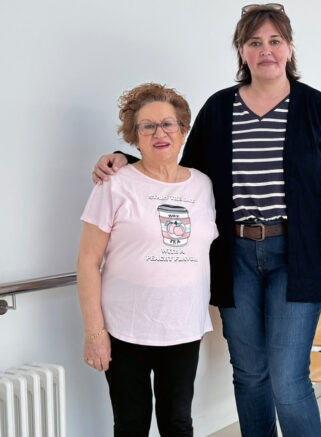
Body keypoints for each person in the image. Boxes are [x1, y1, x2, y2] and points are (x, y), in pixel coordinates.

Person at [91, 5, 321, 437]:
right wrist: (128, 160)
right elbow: (183, 175)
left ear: (289, 48)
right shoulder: (219, 109)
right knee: (249, 373)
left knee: (289, 380)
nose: (265, 50)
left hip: (297, 256)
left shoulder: (315, 108)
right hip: (235, 257)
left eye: (274, 41)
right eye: (254, 42)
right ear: (241, 51)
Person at [78, 83, 218, 436]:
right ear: (134, 137)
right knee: (131, 425)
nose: (160, 133)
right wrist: (95, 333)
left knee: (177, 423)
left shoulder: (202, 185)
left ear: (183, 131)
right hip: (127, 330)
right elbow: (87, 261)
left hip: (183, 327)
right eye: (148, 126)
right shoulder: (115, 183)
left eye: (168, 124)